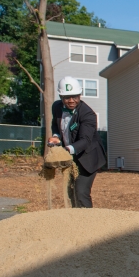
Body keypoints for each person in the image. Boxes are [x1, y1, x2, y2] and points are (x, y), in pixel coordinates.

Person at [48, 76, 107, 208]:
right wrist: (56, 136)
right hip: (71, 156)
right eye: (67, 97)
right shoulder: (56, 107)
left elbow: (85, 140)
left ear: (80, 95)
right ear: (61, 97)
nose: (71, 101)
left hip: (88, 157)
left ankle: (87, 224)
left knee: (81, 193)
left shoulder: (88, 115)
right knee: (70, 191)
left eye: (75, 96)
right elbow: (55, 125)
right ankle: (75, 221)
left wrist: (65, 150)